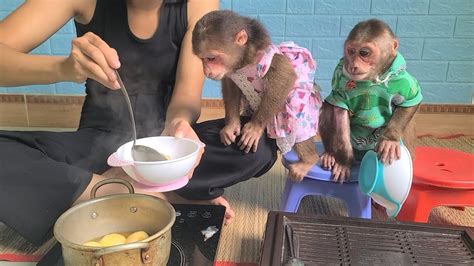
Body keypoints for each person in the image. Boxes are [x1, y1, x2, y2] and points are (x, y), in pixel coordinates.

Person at [0, 0, 278, 246]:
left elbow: (185, 96)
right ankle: (132, 192)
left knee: (260, 144)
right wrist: (62, 68)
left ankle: (98, 189)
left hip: (164, 149)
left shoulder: (198, 3)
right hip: (100, 147)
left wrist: (178, 127)